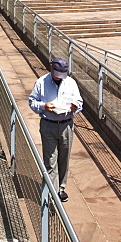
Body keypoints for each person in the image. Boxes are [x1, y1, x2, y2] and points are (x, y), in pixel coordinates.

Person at [28, 57, 82, 202]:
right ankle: (52, 193)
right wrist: (44, 106)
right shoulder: (41, 82)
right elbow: (32, 102)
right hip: (48, 124)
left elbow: (79, 102)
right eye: (57, 74)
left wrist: (75, 107)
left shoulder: (71, 82)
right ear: (51, 68)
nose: (59, 78)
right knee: (50, 159)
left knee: (64, 158)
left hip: (66, 124)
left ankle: (61, 188)